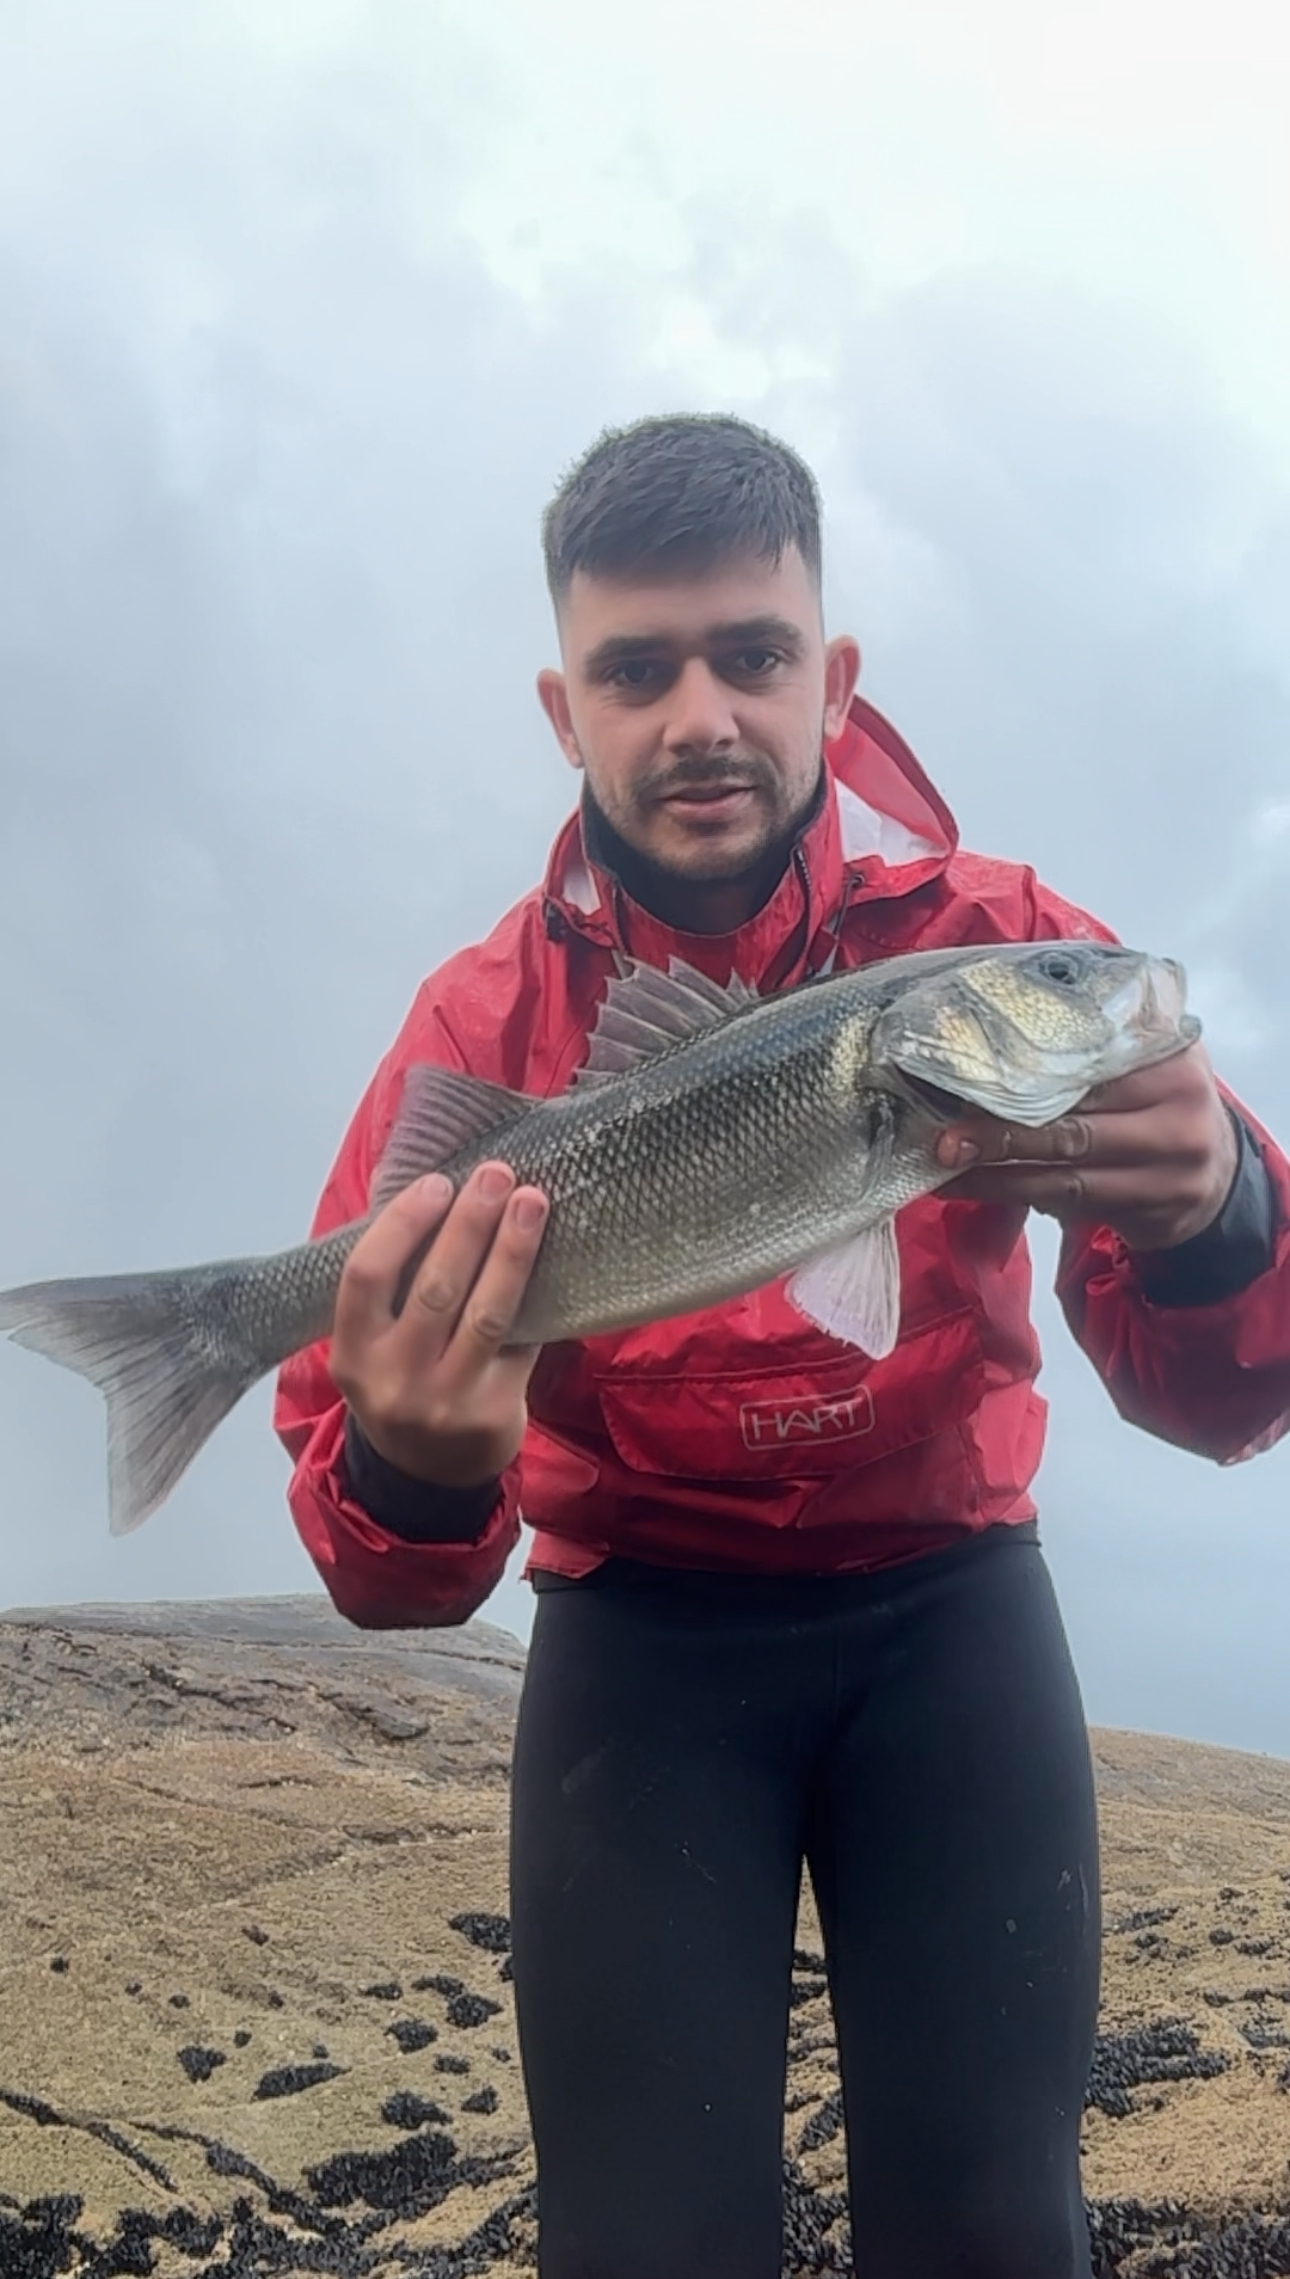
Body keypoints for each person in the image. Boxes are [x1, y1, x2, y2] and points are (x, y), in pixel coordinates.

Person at [274, 415, 1290, 2279]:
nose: (699, 716)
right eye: (633, 670)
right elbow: (380, 1563)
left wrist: (1218, 1211)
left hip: (953, 1617)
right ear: (561, 710)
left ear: (831, 677)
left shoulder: (999, 947)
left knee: (998, 2233)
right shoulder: (476, 1024)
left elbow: (1224, 1392)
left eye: (752, 655)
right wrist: (413, 1467)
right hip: (637, 1649)